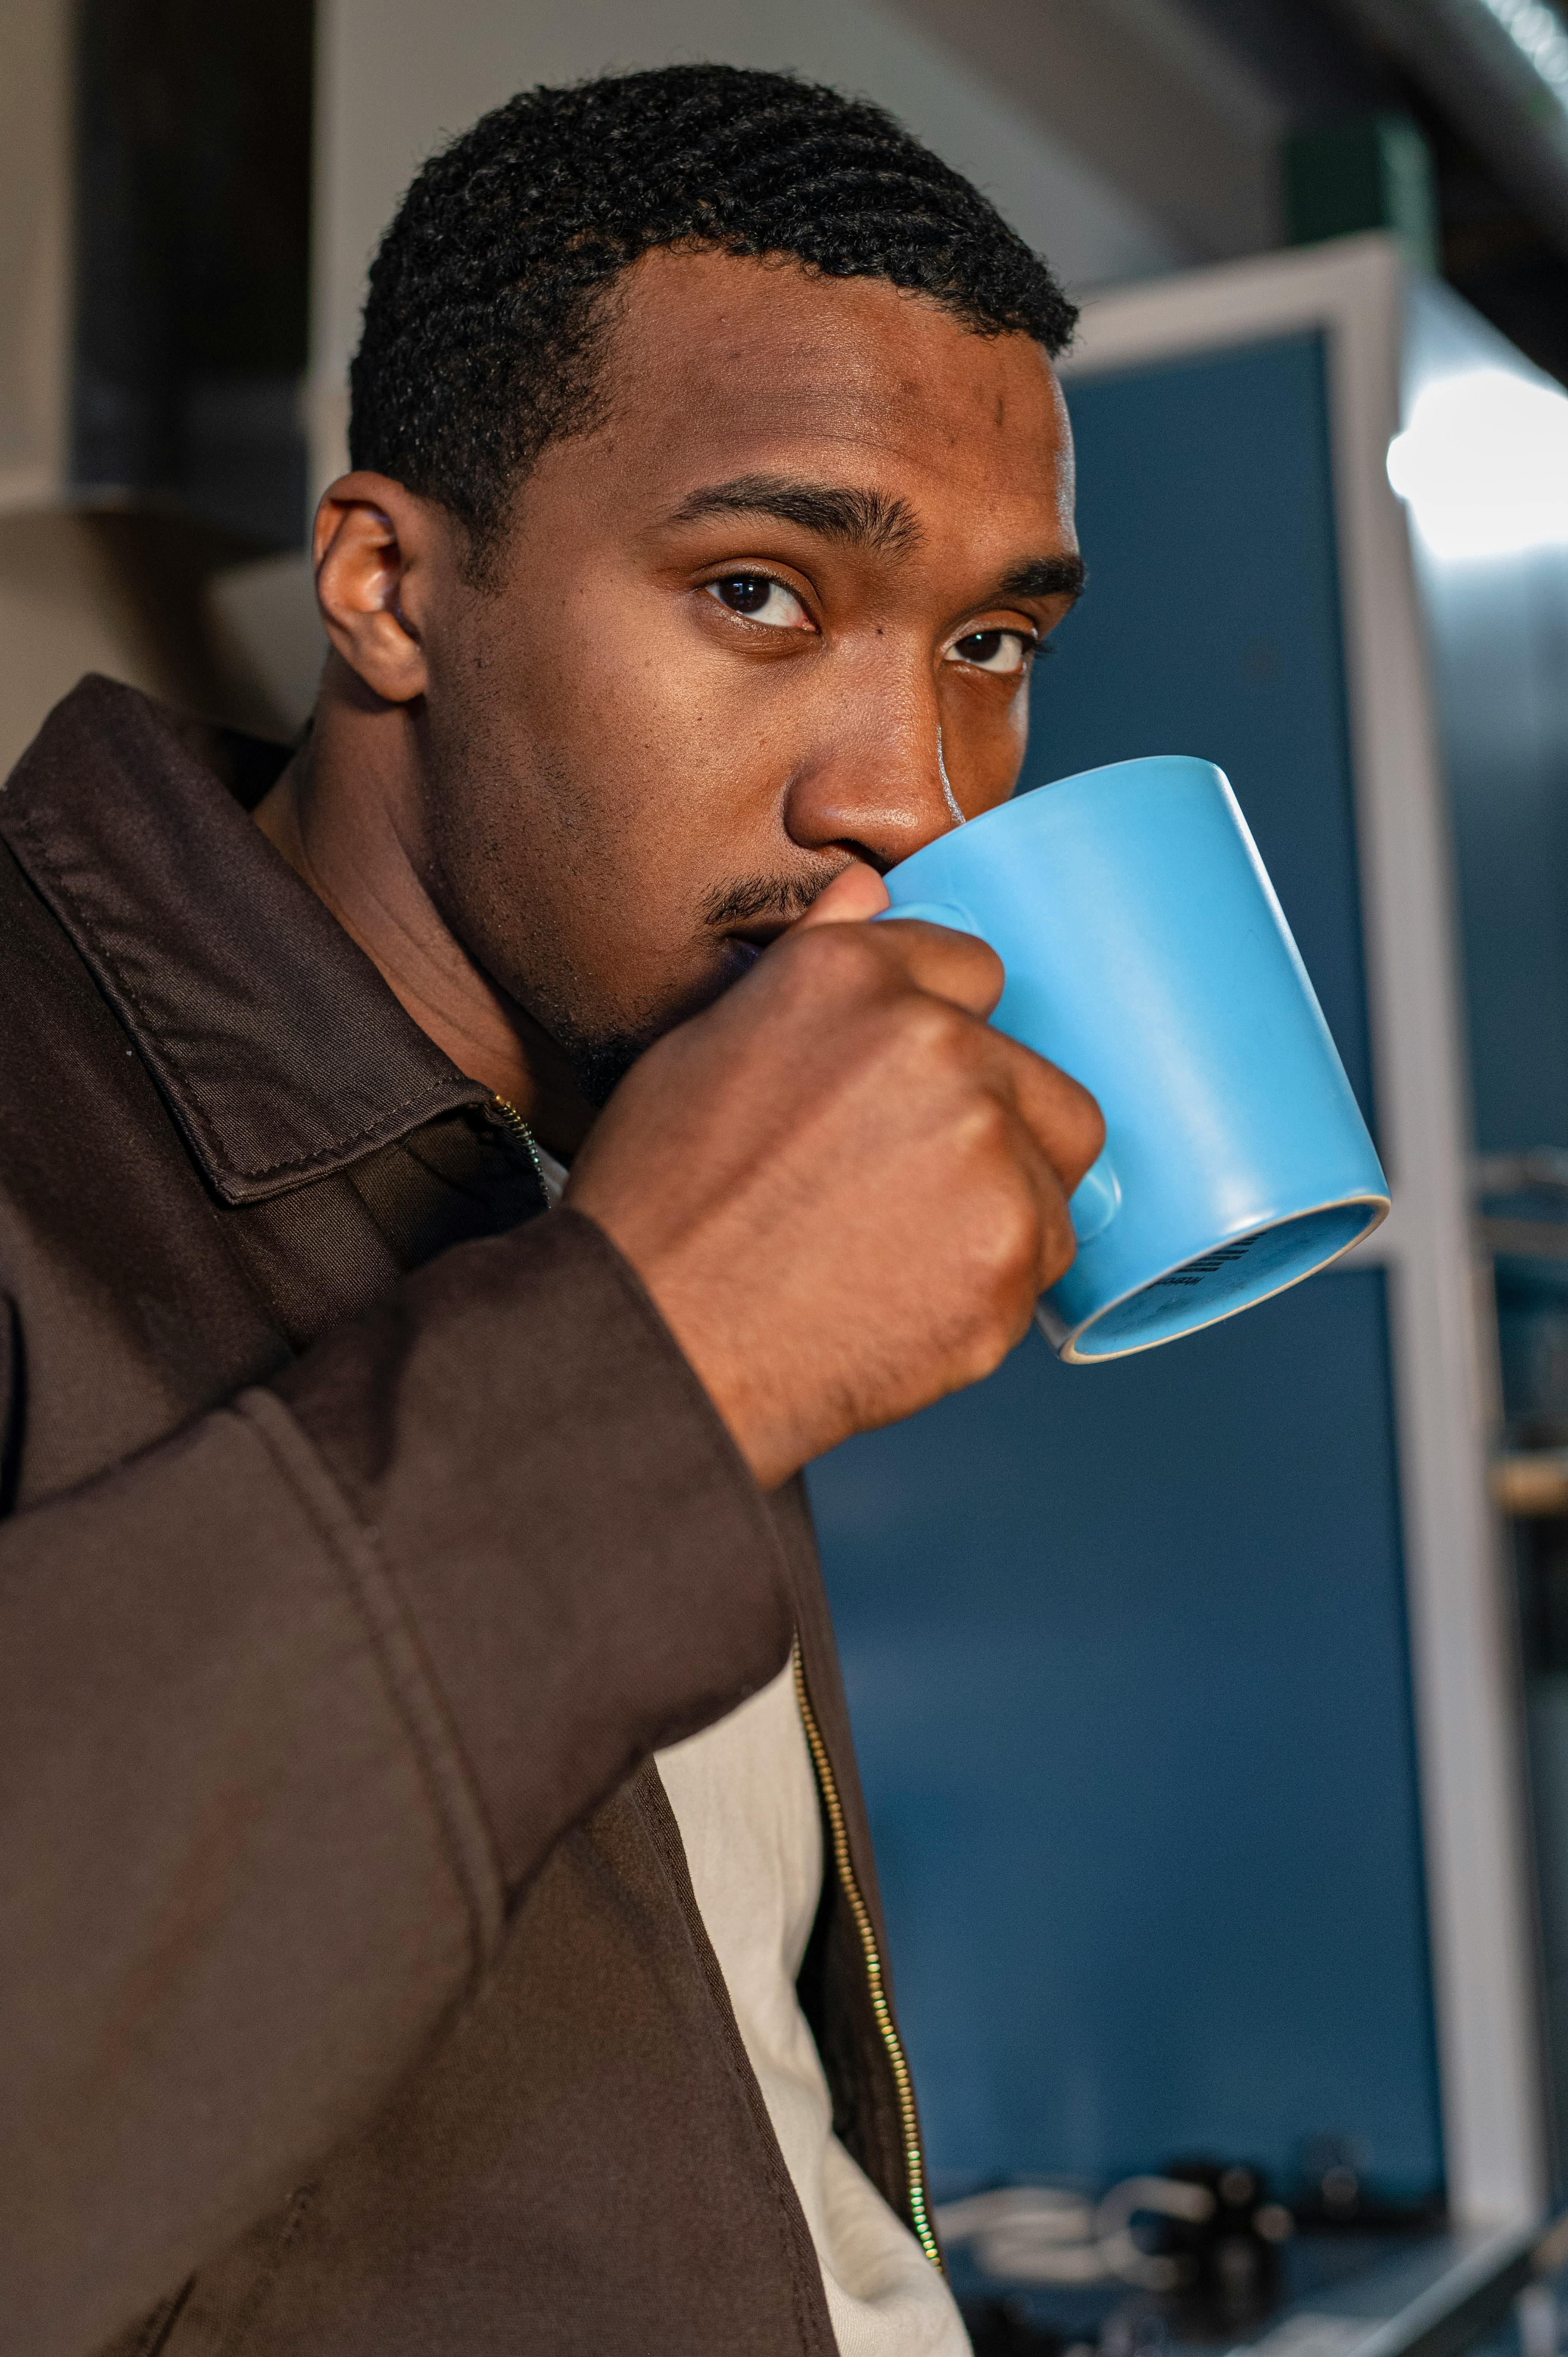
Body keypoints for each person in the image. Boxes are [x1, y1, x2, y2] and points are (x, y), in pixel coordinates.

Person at [0, 63, 1101, 2357]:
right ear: (388, 588)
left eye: (988, 646)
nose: (907, 796)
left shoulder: (615, 1123)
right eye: (757, 590)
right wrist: (656, 1363)